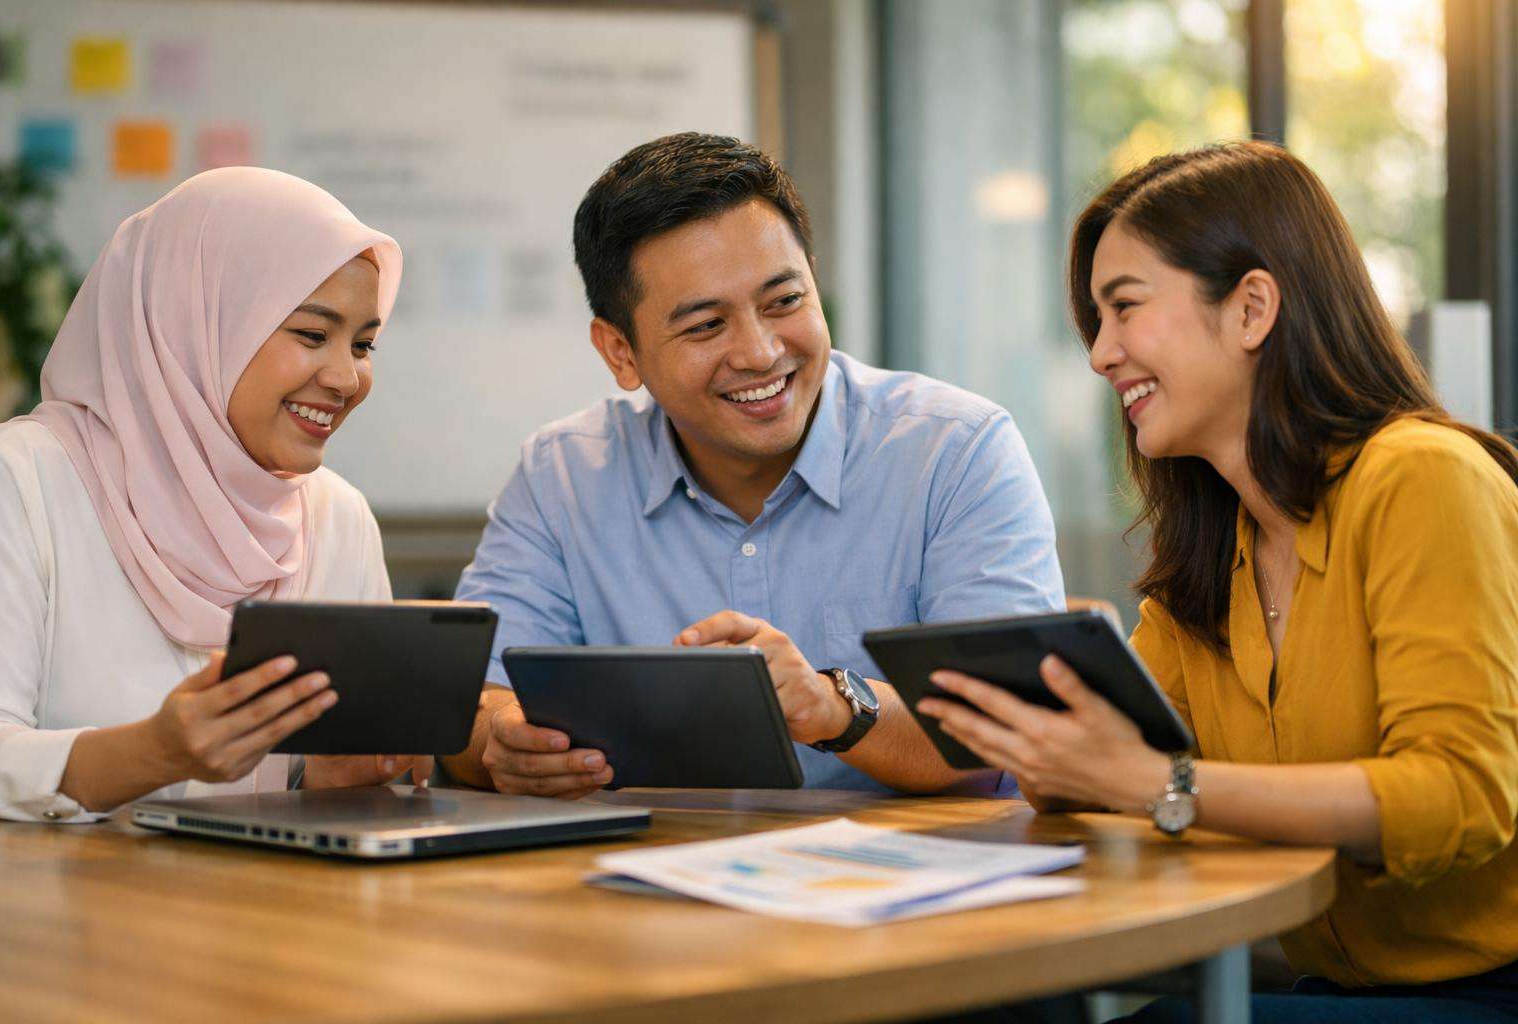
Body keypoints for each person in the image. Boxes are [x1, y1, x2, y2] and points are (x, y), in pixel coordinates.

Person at [919, 142, 1518, 1022]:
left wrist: (1155, 783)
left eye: (1124, 308)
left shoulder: (1422, 476)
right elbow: (1111, 773)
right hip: (1340, 986)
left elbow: (1461, 795)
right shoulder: (1215, 545)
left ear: (1251, 308)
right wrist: (1061, 743)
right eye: (1097, 321)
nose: (1100, 355)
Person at [444, 132, 1065, 798]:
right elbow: (469, 714)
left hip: (930, 887)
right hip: (654, 880)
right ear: (620, 352)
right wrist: (503, 742)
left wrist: (831, 707)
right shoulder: (561, 476)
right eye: (707, 325)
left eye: (784, 301)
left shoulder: (956, 450)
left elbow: (1018, 737)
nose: (762, 352)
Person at [0, 167, 430, 822]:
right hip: (65, 915)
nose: (345, 377)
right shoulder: (17, 482)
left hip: (266, 913)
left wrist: (344, 775)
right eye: (312, 334)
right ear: (193, 321)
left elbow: (318, 785)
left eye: (363, 345)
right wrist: (155, 753)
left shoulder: (337, 517)